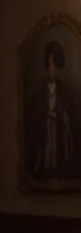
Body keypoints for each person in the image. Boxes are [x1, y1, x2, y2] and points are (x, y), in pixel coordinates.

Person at [26, 40, 75, 180]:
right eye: (49, 65)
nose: (51, 68)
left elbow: (67, 114)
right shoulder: (40, 91)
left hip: (58, 131)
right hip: (45, 130)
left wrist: (59, 116)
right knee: (46, 155)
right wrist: (46, 114)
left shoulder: (63, 90)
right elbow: (37, 113)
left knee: (58, 158)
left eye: (54, 65)